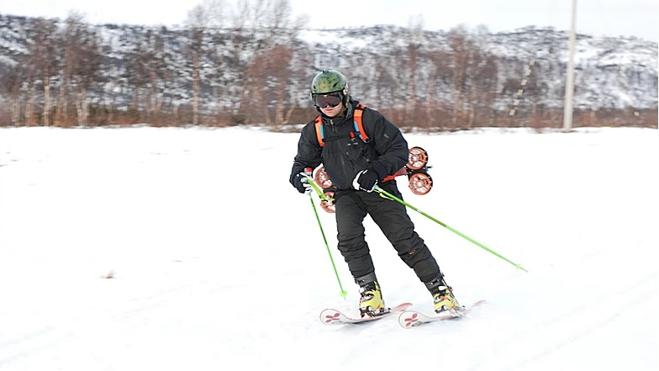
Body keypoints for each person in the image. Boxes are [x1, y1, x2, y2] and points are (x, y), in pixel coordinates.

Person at [289, 69, 459, 317]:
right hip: (345, 194)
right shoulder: (315, 130)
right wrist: (298, 176)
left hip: (379, 189)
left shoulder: (367, 120)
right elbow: (303, 161)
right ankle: (370, 292)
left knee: (404, 240)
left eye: (333, 100)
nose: (327, 106)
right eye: (320, 100)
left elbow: (398, 150)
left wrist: (375, 172)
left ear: (344, 96)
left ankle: (441, 291)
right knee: (349, 241)